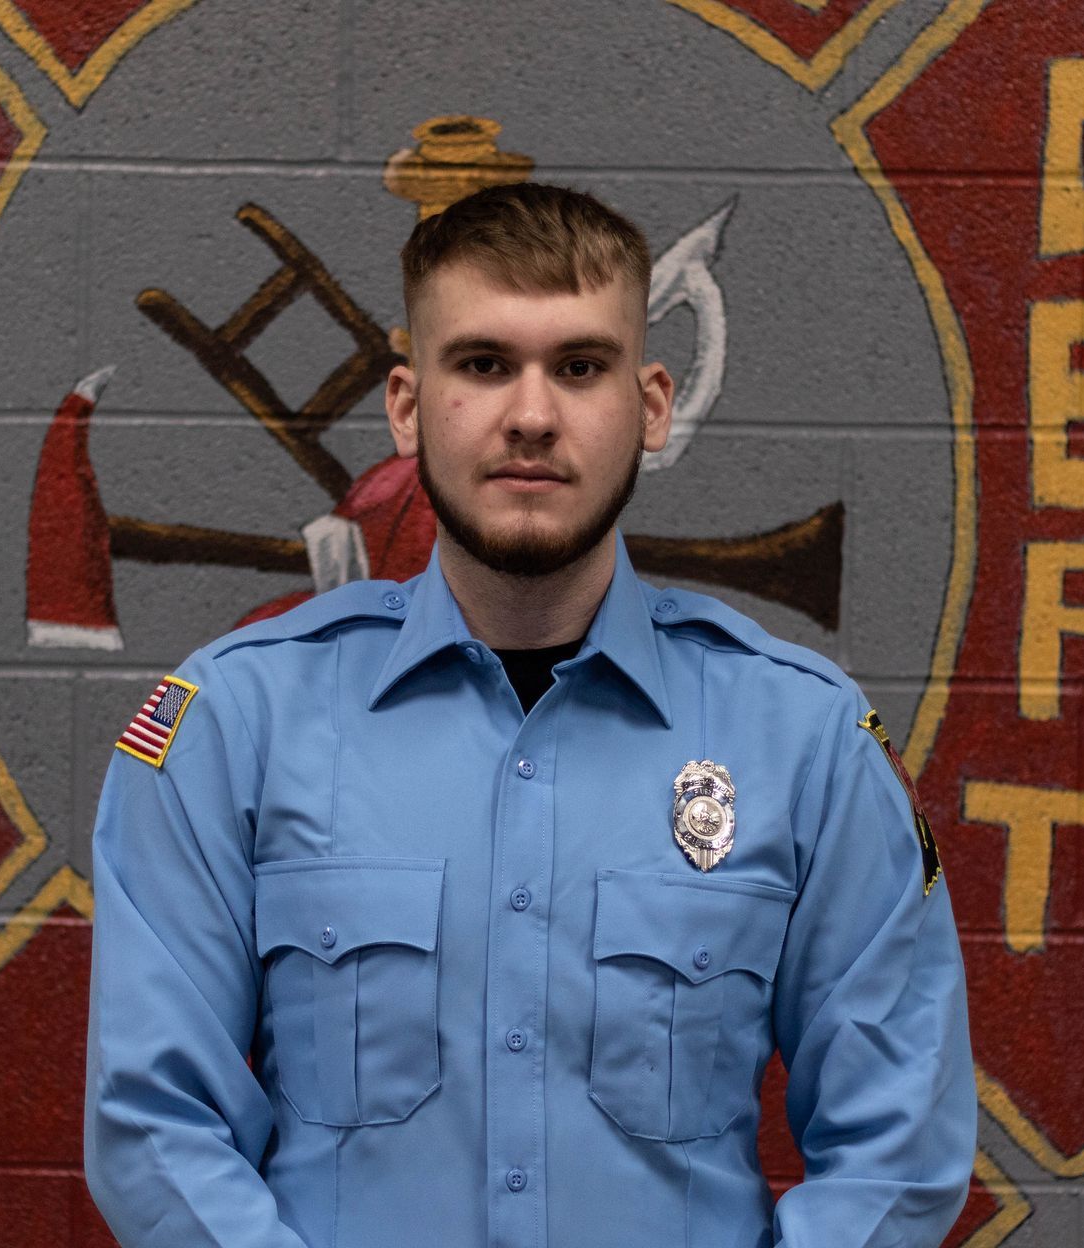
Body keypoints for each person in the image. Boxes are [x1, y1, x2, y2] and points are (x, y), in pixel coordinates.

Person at [84, 182, 975, 1247]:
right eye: (483, 364)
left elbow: (899, 1150)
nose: (533, 415)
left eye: (581, 367)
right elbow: (154, 1127)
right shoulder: (234, 728)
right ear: (408, 406)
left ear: (652, 405)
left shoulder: (808, 742)